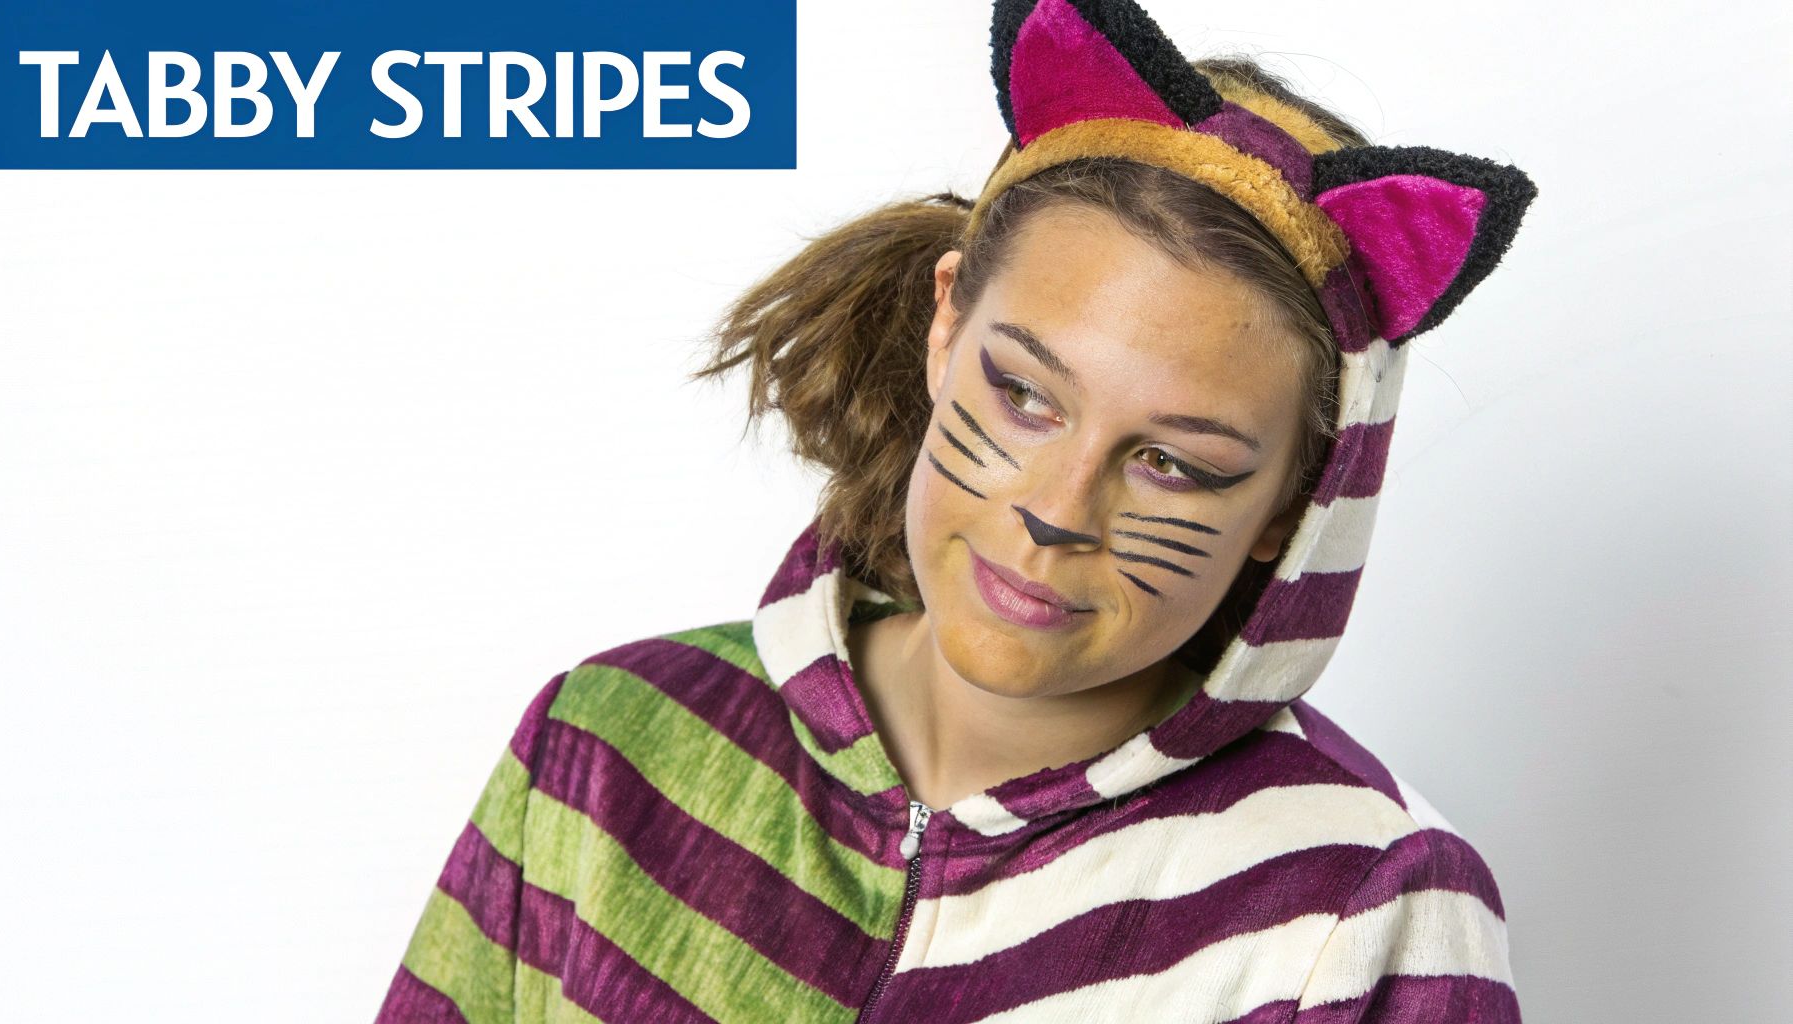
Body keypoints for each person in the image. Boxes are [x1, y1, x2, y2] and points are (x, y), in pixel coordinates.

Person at [374, 1, 1538, 1021]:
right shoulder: (613, 745)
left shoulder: (1357, 907)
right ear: (947, 324)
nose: (1054, 511)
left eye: (1174, 463)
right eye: (1025, 394)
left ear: (1299, 495)